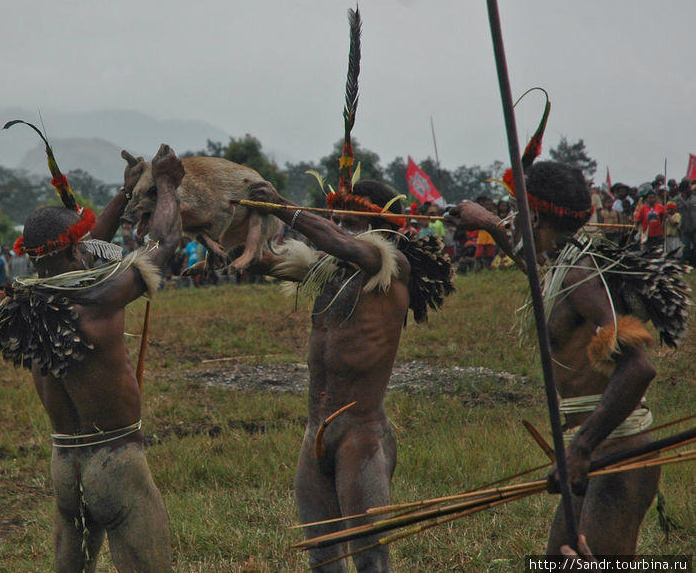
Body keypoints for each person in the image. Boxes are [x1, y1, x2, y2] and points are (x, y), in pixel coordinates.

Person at [447, 160, 688, 556]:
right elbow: (533, 266)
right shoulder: (563, 262)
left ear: (536, 215)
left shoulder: (578, 274)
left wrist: (581, 447)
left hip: (616, 452)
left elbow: (640, 367)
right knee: (557, 563)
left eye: (518, 214)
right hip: (594, 451)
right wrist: (490, 223)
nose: (514, 222)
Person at [0, 143, 184, 572]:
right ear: (73, 251)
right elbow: (163, 242)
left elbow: (87, 250)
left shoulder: (25, 304)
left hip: (65, 466)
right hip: (114, 463)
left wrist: (125, 194)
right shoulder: (98, 297)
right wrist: (166, 185)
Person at [245, 177, 453, 571]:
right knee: (322, 557)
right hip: (315, 433)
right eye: (335, 218)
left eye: (347, 220)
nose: (338, 225)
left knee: (370, 559)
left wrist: (281, 205)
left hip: (361, 436)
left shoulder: (389, 265)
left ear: (377, 225)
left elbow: (338, 241)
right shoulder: (330, 271)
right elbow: (261, 258)